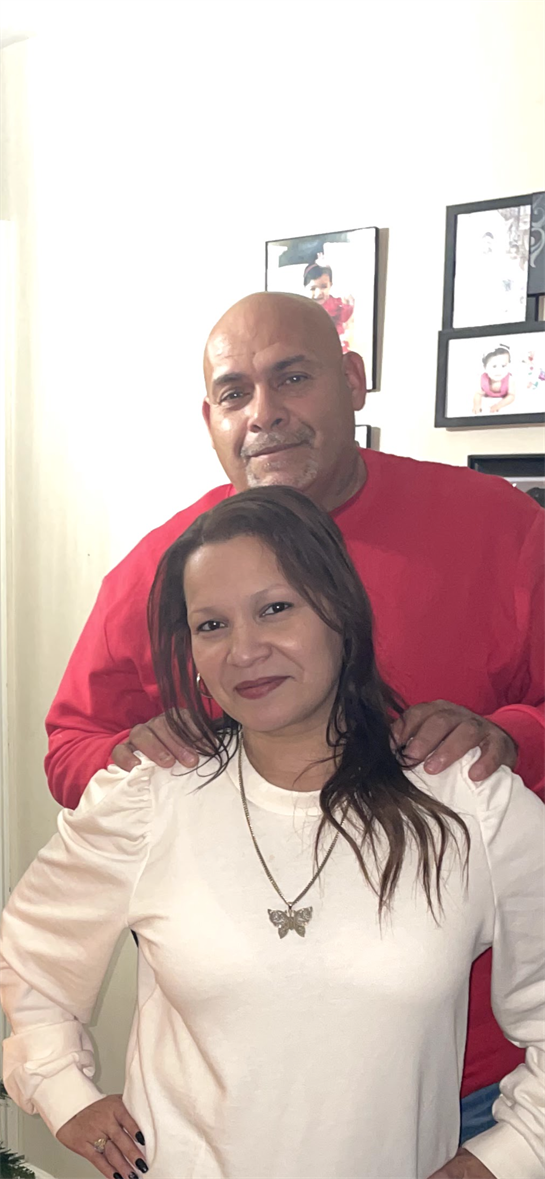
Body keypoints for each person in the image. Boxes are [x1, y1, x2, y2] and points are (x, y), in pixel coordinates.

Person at [44, 292, 545, 1137]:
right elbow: (70, 746)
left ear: (351, 382)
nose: (265, 414)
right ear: (210, 418)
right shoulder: (166, 564)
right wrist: (133, 755)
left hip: (470, 1072)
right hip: (235, 1081)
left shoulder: (499, 526)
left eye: (293, 377)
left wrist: (510, 737)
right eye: (235, 392)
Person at [2, 488, 544, 1179]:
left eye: (275, 608)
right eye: (210, 625)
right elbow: (33, 957)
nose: (244, 650)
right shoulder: (147, 797)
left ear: (341, 613)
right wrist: (58, 1084)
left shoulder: (467, 803)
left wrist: (503, 1157)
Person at [302, 260, 354, 351]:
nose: (318, 293)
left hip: (334, 341)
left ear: (330, 285)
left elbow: (344, 319)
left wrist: (346, 305)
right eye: (313, 288)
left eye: (324, 287)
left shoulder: (335, 302)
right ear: (305, 288)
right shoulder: (303, 306)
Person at [473, 345, 516, 415]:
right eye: (494, 366)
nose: (499, 370)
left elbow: (511, 395)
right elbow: (478, 393)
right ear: (485, 368)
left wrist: (498, 405)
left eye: (503, 366)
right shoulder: (483, 379)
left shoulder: (510, 380)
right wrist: (476, 405)